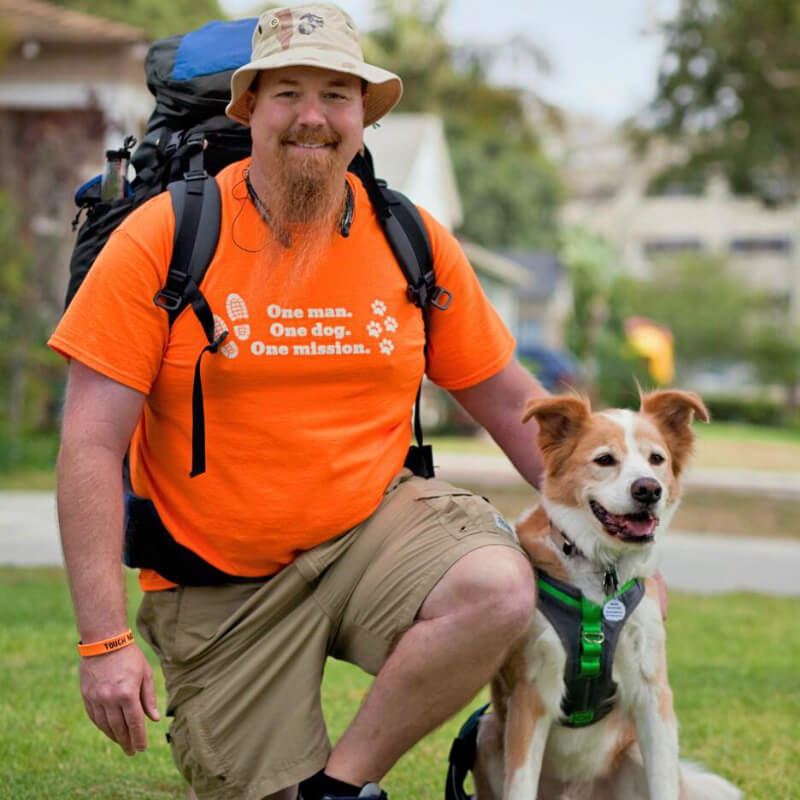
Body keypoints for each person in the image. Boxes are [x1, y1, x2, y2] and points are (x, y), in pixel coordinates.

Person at [49, 5, 549, 799]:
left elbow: (513, 403)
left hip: (371, 537)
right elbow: (89, 444)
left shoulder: (410, 237)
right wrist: (103, 642)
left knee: (496, 587)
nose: (312, 117)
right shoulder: (165, 236)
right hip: (217, 583)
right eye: (287, 93)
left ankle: (340, 789)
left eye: (336, 95)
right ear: (248, 109)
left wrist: (623, 545)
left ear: (364, 114)